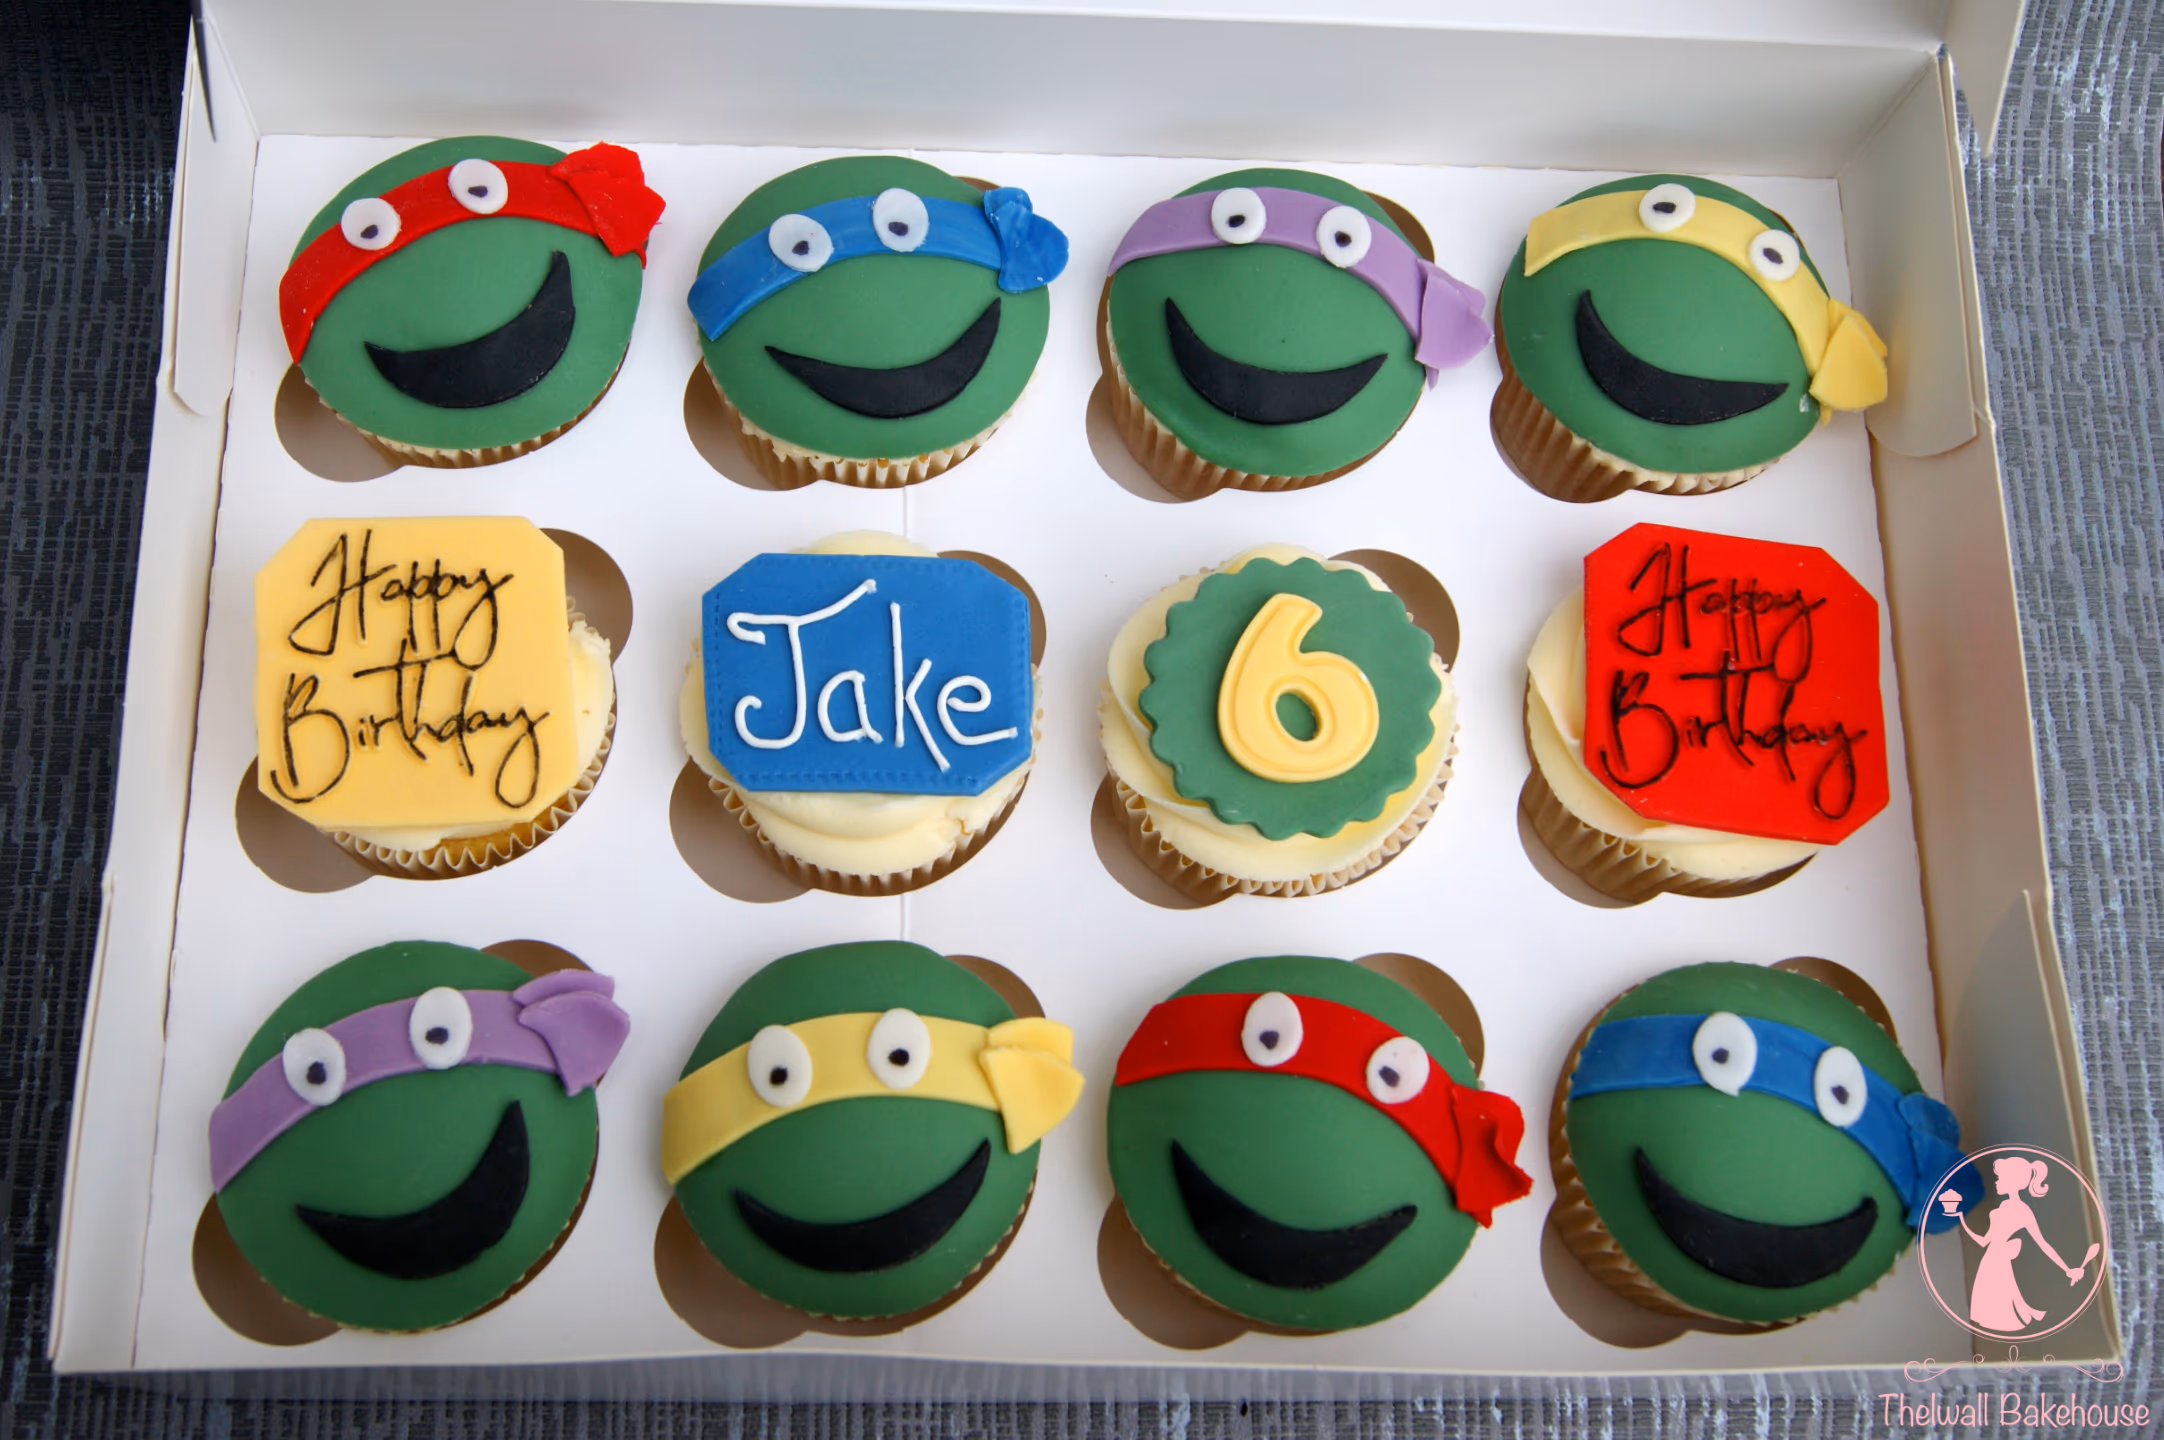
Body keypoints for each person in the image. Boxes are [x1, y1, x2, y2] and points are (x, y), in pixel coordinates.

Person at [1960, 1155, 2084, 1331]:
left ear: (2012, 1181)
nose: (1996, 1182)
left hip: (1999, 1260)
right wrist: (1961, 1219)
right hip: (1989, 1259)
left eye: (2000, 1178)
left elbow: (2043, 1244)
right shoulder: (2002, 1207)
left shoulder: (2023, 1211)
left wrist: (2067, 1269)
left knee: (1999, 1306)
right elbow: (1984, 1241)